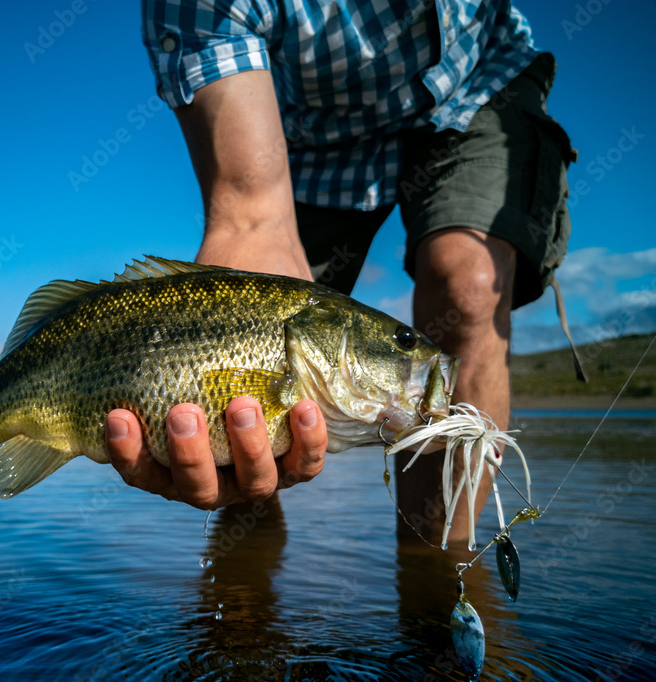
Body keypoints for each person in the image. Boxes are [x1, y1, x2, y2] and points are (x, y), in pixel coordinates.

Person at [104, 0, 576, 546]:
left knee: (468, 289)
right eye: (403, 344)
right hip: (306, 133)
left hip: (477, 83)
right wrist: (253, 231)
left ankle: (441, 581)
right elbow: (250, 212)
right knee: (243, 389)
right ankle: (242, 599)